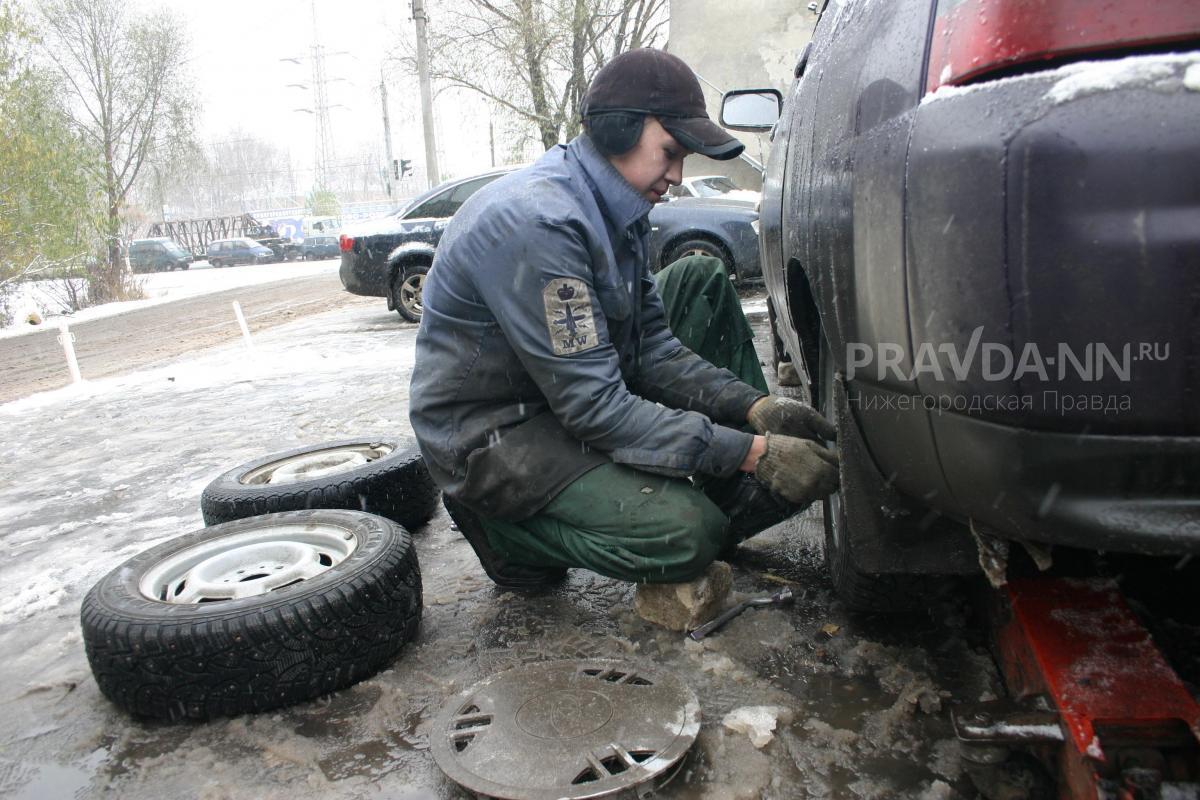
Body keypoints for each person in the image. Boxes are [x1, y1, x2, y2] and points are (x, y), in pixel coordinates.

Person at [409, 48, 839, 591]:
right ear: (617, 129)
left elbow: (651, 350)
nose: (678, 175)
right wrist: (755, 454)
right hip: (496, 435)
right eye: (671, 152)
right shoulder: (541, 224)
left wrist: (754, 407)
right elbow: (595, 408)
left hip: (563, 391)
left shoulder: (618, 207)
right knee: (688, 535)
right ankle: (505, 534)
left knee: (699, 276)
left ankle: (718, 480)